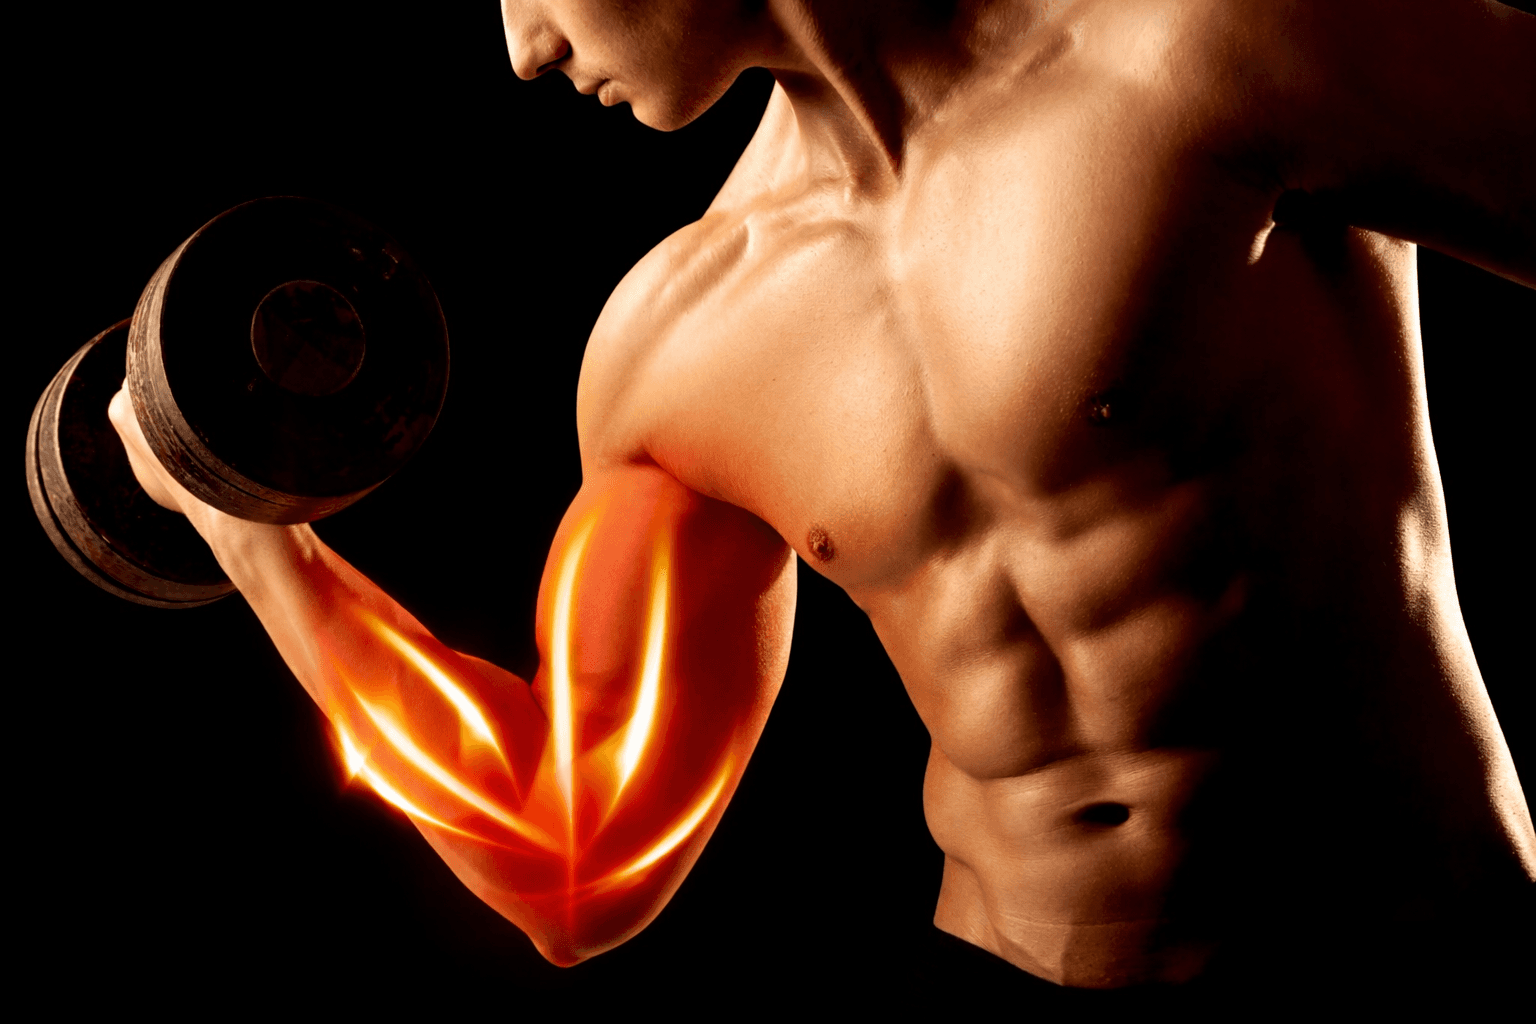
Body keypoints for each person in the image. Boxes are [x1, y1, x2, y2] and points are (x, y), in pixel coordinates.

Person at [108, 0, 1534, 996]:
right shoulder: (680, 346)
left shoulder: (1202, 43)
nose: (522, 47)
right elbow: (576, 859)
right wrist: (250, 533)